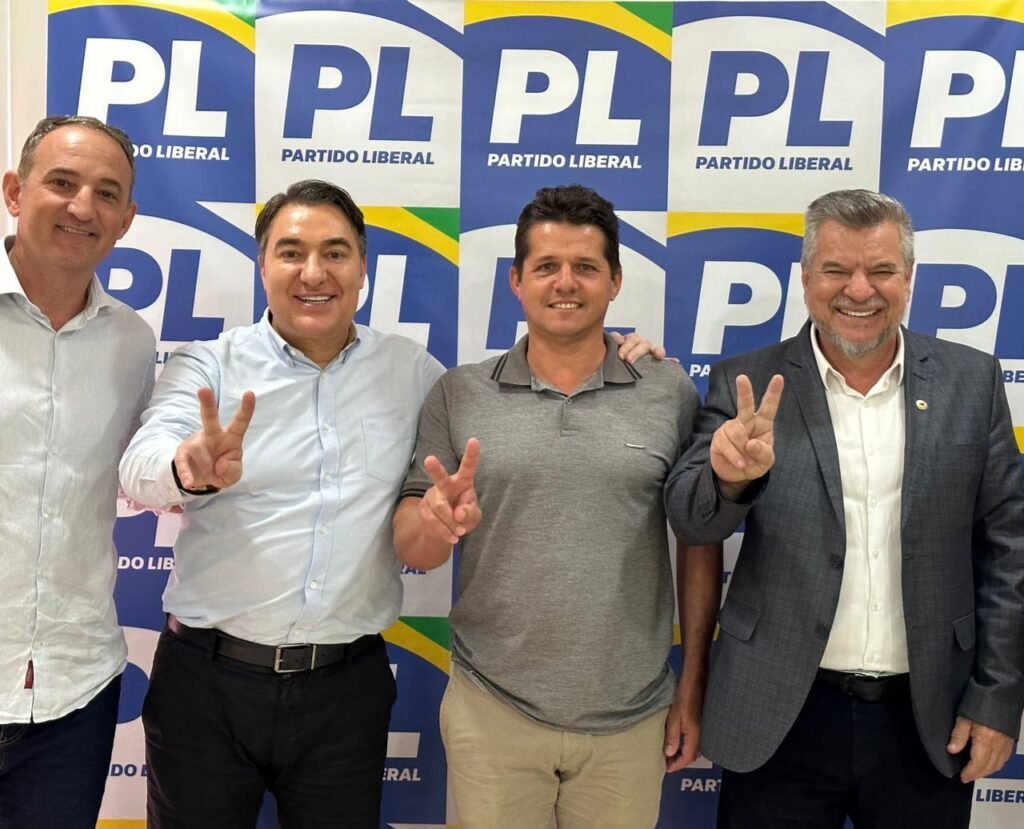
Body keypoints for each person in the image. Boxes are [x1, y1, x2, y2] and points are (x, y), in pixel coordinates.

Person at [118, 179, 659, 828]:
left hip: (344, 688)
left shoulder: (415, 374)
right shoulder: (208, 366)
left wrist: (627, 354)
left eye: (335, 252)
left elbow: (529, 396)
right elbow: (139, 467)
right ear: (262, 265)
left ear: (362, 267)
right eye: (291, 252)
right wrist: (188, 468)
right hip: (206, 682)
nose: (313, 272)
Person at [665, 188, 1024, 828]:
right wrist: (727, 481)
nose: (860, 290)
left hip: (929, 717)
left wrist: (998, 699)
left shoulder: (972, 381)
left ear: (908, 278)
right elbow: (693, 523)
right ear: (806, 279)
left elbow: (1009, 551)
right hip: (778, 713)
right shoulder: (746, 381)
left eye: (881, 270)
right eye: (836, 270)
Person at [392, 184, 720, 828]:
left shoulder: (668, 390)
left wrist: (692, 685)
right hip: (493, 709)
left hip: (632, 717)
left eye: (585, 267)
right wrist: (434, 522)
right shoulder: (459, 393)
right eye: (546, 266)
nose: (565, 283)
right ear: (516, 280)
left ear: (615, 281)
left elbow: (698, 538)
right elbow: (414, 548)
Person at [0, 115, 154, 827]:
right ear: (14, 191)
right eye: (61, 182)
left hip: (74, 695)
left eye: (106, 192)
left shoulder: (132, 342)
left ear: (126, 219)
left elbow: (148, 473)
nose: (82, 206)